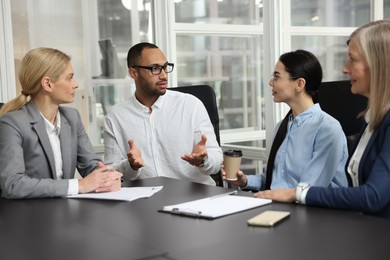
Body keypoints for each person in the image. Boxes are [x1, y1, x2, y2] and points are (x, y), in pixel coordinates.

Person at [256, 20, 390, 219]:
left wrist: (297, 193)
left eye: (352, 60)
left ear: (378, 63)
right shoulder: (370, 121)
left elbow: (373, 196)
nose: (345, 69)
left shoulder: (330, 127)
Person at [0, 47, 122, 199]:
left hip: (65, 211)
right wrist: (80, 185)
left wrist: (108, 177)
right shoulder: (11, 123)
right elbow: (13, 184)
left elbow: (90, 165)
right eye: (69, 78)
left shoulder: (72, 117)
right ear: (48, 84)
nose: (76, 84)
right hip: (28, 215)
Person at [222, 49, 348, 191]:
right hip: (282, 205)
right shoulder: (282, 126)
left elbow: (309, 189)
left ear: (299, 84)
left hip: (313, 209)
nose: (271, 82)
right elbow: (276, 181)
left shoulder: (328, 128)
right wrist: (245, 181)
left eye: (277, 77)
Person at [103, 42, 222, 185]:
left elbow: (216, 162)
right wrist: (131, 166)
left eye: (165, 67)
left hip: (195, 197)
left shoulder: (191, 105)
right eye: (155, 68)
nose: (164, 75)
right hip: (146, 201)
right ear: (134, 73)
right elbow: (112, 171)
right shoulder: (115, 117)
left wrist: (203, 161)